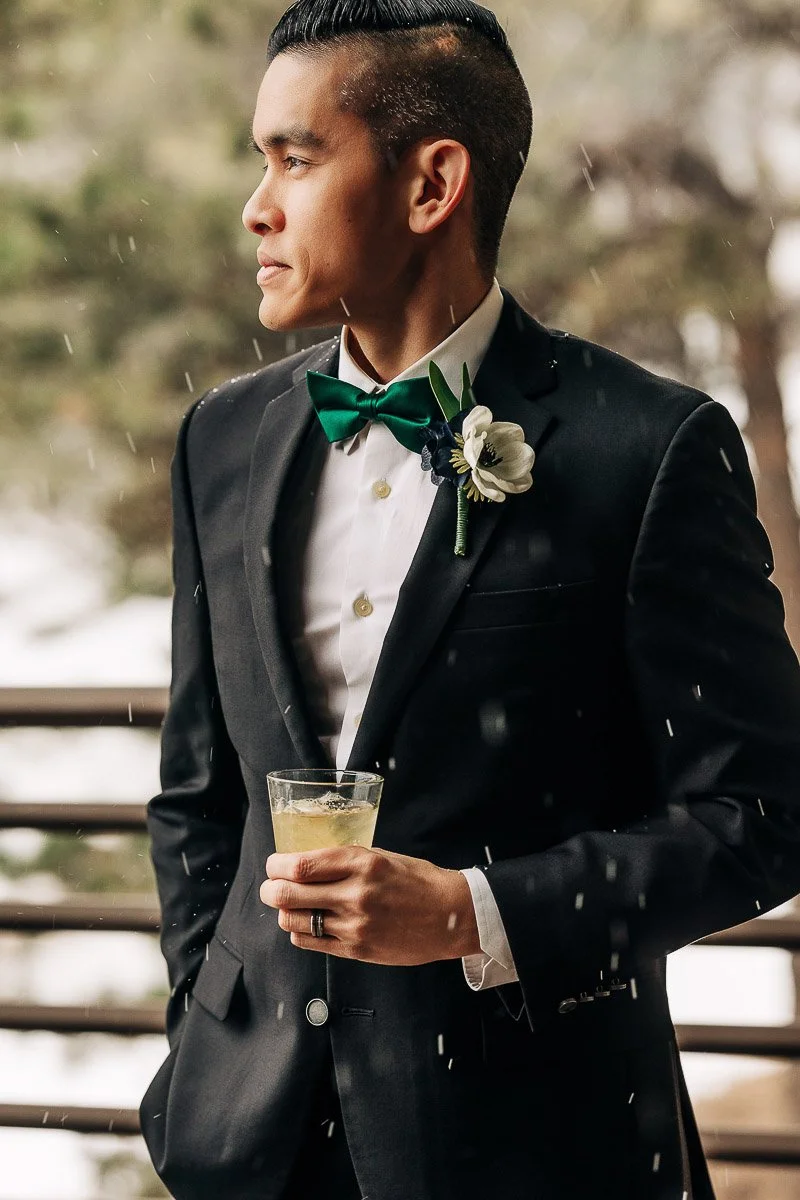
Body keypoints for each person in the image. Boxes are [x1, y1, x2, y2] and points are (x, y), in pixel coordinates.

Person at [138, 2, 800, 1197]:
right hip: (244, 1140)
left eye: (294, 157)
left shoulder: (644, 450)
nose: (256, 206)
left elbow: (761, 811)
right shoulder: (221, 441)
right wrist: (203, 1021)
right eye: (259, 161)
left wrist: (470, 914)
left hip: (535, 1145)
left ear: (431, 182)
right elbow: (197, 791)